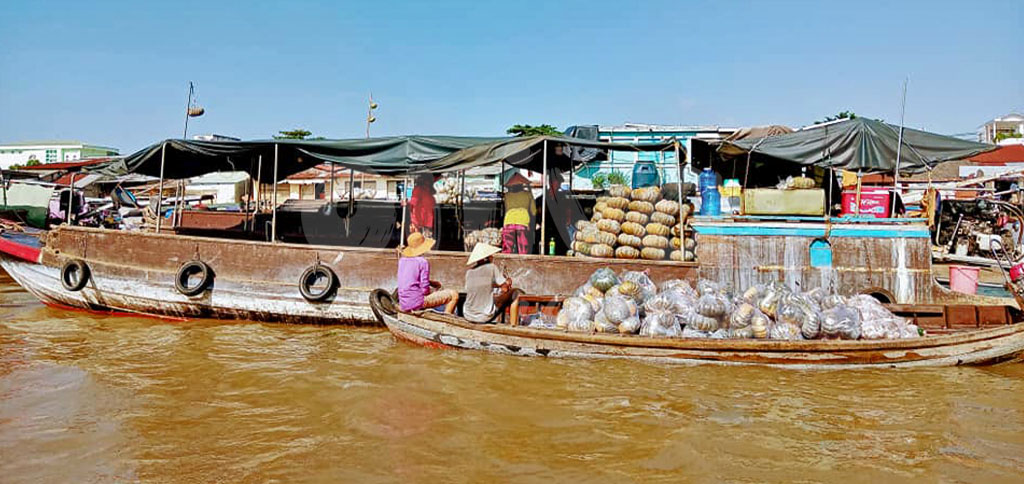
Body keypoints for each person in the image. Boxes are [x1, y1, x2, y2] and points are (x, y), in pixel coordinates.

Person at [396, 232, 457, 313]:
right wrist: (432, 290)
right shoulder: (423, 262)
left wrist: (431, 283)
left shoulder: (402, 260)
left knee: (436, 289)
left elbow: (410, 279)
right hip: (417, 301)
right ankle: (447, 320)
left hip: (404, 303)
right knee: (454, 295)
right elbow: (425, 290)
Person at [463, 243, 518, 323]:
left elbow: (479, 285)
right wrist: (507, 282)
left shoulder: (469, 272)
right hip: (483, 316)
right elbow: (505, 289)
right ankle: (513, 325)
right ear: (486, 258)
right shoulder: (491, 268)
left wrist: (496, 285)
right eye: (491, 256)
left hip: (468, 314)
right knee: (515, 293)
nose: (492, 257)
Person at [502, 172, 535, 254]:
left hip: (508, 223)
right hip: (522, 223)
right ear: (522, 185)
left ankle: (505, 265)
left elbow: (505, 209)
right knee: (523, 249)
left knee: (507, 250)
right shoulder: (528, 195)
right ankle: (523, 265)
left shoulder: (507, 196)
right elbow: (533, 211)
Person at [409, 173, 436, 238]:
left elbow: (412, 203)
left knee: (423, 242)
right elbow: (413, 203)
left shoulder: (424, 190)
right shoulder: (423, 190)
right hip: (422, 221)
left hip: (423, 221)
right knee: (423, 242)